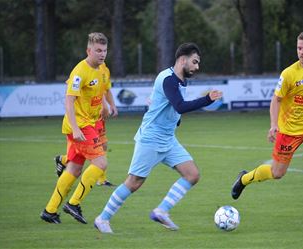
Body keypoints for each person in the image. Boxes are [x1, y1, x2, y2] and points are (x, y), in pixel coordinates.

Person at [94, 42, 223, 233]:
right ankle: (102, 219)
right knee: (134, 182)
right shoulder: (168, 79)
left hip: (168, 139)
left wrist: (175, 121)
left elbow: (171, 108)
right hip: (151, 138)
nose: (197, 67)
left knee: (192, 175)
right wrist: (207, 99)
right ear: (182, 60)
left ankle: (161, 211)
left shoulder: (181, 80)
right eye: (194, 62)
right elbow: (179, 105)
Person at [231, 31, 303, 219]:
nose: (301, 52)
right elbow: (275, 101)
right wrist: (273, 125)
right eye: (299, 48)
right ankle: (243, 179)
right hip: (289, 131)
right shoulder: (289, 74)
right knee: (277, 173)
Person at [40, 32, 117, 224]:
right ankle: (73, 204)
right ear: (88, 50)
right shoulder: (79, 72)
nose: (102, 54)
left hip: (88, 123)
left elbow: (102, 90)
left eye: (105, 51)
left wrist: (107, 105)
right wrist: (75, 128)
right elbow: (68, 101)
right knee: (101, 164)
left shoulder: (102, 69)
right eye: (98, 50)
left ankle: (49, 211)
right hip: (80, 126)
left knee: (73, 169)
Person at [54, 96, 117, 187]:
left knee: (103, 145)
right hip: (88, 118)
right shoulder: (79, 83)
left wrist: (109, 105)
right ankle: (101, 180)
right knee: (93, 151)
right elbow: (71, 99)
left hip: (98, 116)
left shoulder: (103, 81)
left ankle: (64, 159)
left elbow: (105, 91)